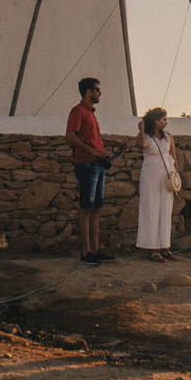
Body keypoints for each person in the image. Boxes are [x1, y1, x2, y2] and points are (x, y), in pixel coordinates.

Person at [65, 76, 113, 265]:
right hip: (86, 164)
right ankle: (85, 252)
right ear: (88, 91)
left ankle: (95, 249)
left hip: (97, 164)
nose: (100, 93)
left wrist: (103, 148)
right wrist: (93, 151)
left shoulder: (91, 114)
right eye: (97, 89)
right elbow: (70, 136)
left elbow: (92, 139)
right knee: (86, 208)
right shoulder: (78, 111)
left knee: (96, 208)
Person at [136, 106, 181, 260]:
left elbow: (173, 156)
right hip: (151, 176)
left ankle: (165, 247)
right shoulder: (146, 137)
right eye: (163, 120)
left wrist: (176, 178)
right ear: (155, 121)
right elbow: (141, 145)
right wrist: (141, 129)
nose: (166, 123)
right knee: (151, 210)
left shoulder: (168, 136)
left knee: (165, 210)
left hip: (166, 176)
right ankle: (152, 248)